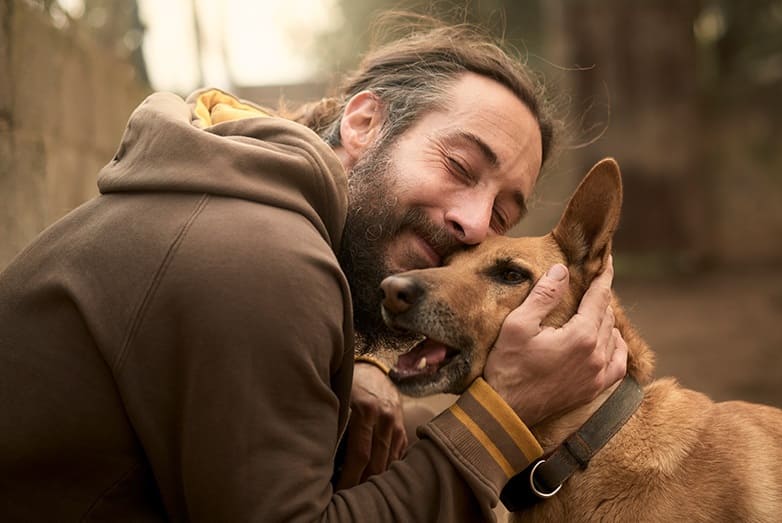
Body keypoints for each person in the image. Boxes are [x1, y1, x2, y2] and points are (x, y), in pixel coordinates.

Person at [0, 18, 627, 522]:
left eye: (503, 212)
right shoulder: (262, 258)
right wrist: (500, 418)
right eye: (460, 167)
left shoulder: (251, 211)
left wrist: (366, 361)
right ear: (362, 123)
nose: (472, 222)